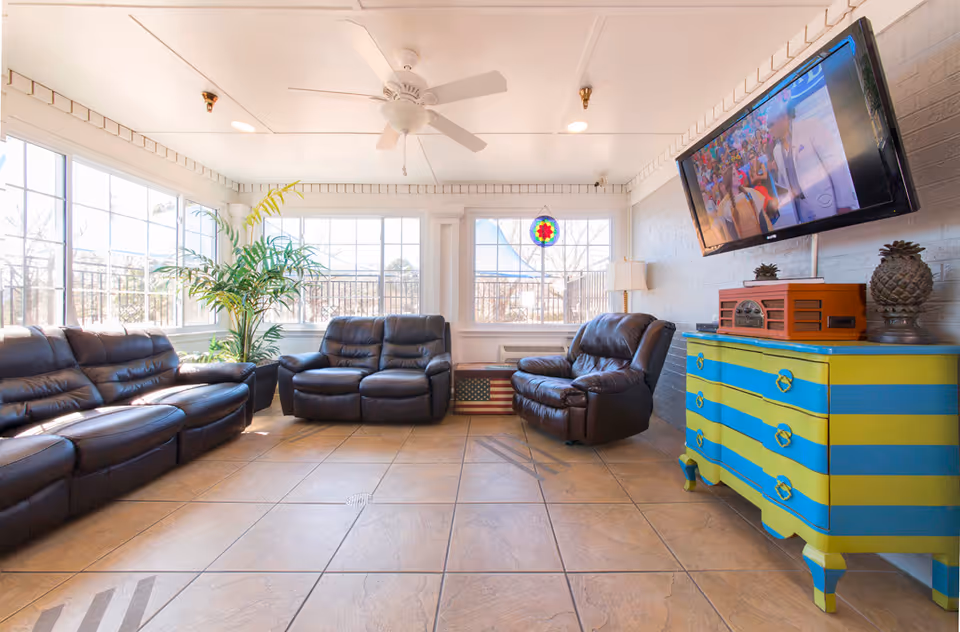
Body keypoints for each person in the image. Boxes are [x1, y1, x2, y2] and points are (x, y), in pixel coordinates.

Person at [767, 97, 859, 223]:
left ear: (783, 118)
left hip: (827, 204)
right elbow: (787, 183)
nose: (769, 130)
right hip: (802, 213)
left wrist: (843, 203)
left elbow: (835, 164)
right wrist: (774, 173)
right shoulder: (777, 151)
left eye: (771, 125)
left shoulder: (811, 127)